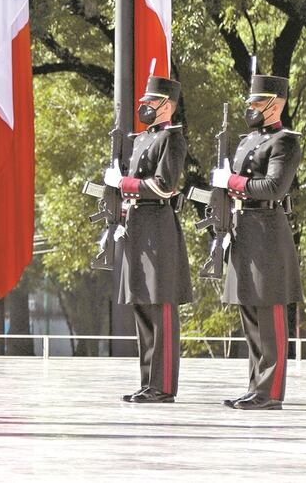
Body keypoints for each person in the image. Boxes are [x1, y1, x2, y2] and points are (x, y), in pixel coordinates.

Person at [212, 74, 302, 410]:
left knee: (269, 313)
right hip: (243, 227)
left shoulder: (285, 141)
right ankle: (255, 385)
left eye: (258, 102)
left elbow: (274, 187)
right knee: (249, 311)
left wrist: (231, 181)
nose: (251, 108)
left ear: (276, 104)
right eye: (250, 102)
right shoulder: (247, 140)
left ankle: (271, 391)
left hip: (267, 230)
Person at [103, 76, 192, 403]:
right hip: (137, 224)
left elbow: (164, 184)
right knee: (142, 306)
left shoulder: (172, 138)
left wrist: (124, 184)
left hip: (157, 224)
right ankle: (148, 381)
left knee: (160, 307)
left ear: (166, 105)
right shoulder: (142, 139)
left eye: (151, 102)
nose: (145, 107)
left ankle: (164, 386)